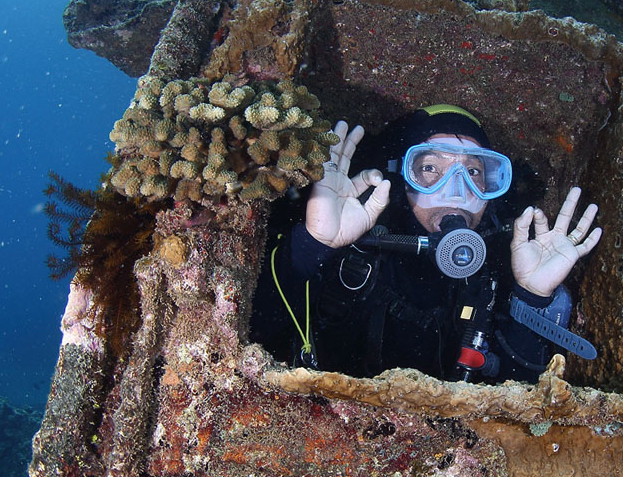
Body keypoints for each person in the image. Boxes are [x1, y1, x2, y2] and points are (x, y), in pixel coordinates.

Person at [251, 105, 602, 382]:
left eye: (475, 172)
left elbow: (519, 393)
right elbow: (256, 336)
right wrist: (314, 244)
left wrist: (531, 296)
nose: (457, 189)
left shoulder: (501, 271)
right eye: (431, 169)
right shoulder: (354, 252)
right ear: (403, 179)